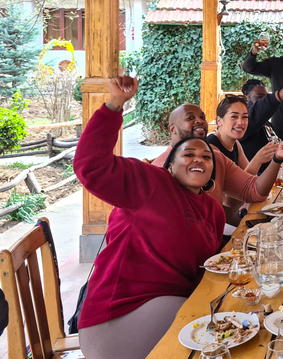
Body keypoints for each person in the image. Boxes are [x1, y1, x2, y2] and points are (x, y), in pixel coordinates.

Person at [73, 76, 226, 359]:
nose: (198, 160)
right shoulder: (150, 182)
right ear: (169, 165)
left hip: (177, 305)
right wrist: (114, 104)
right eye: (188, 154)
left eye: (207, 158)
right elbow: (90, 166)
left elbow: (204, 268)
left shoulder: (212, 210)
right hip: (119, 314)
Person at [152, 103, 283, 225]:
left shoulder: (216, 157)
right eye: (190, 118)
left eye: (203, 118)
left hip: (214, 240)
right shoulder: (159, 169)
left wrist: (277, 159)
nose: (199, 121)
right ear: (173, 129)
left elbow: (253, 190)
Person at [207, 94, 277, 173]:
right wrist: (258, 160)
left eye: (245, 117)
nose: (240, 122)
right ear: (219, 121)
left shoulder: (235, 144)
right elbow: (236, 184)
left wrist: (277, 159)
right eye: (234, 116)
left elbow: (248, 178)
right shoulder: (212, 149)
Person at [239, 77, 283, 163]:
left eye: (267, 97)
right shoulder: (244, 123)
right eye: (259, 97)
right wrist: (282, 93)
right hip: (258, 174)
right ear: (246, 100)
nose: (264, 100)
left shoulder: (267, 124)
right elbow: (257, 110)